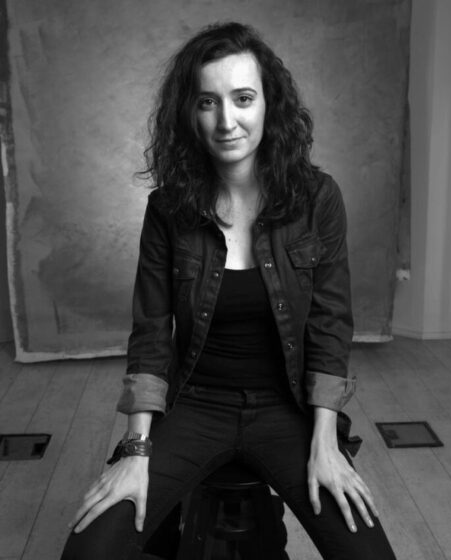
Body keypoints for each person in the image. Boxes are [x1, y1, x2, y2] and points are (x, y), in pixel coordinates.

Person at [61, 21, 396, 559]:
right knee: (89, 550)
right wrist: (136, 450)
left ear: (269, 104)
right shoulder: (168, 209)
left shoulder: (317, 198)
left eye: (243, 98)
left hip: (287, 409)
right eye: (207, 102)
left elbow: (330, 326)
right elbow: (151, 333)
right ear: (189, 114)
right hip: (195, 405)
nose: (226, 121)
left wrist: (325, 442)